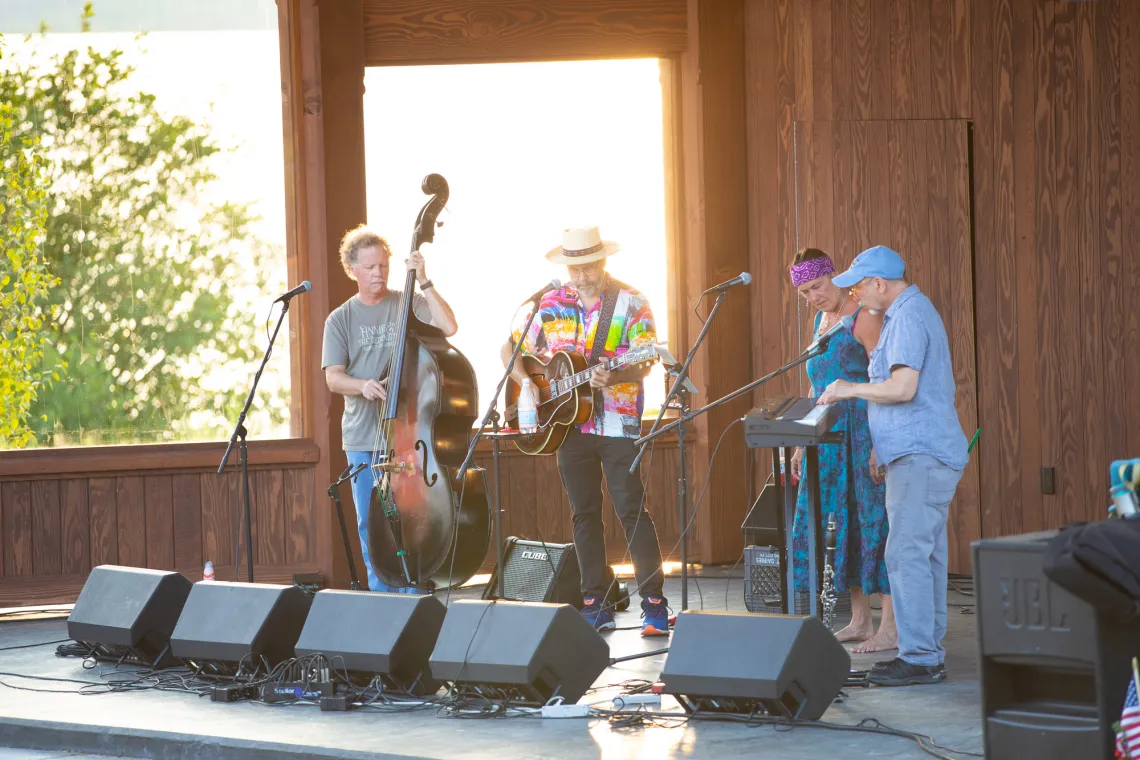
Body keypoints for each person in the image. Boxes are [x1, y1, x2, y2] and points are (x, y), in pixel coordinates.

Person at [500, 226, 669, 636]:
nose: (581, 276)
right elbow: (510, 348)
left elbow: (646, 358)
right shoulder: (548, 302)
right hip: (566, 425)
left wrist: (613, 376)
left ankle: (654, 603)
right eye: (574, 268)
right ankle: (595, 600)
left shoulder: (631, 301)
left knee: (631, 511)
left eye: (588, 267)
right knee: (584, 514)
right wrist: (526, 381)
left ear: (602, 261)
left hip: (617, 421)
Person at [819, 244, 968, 687]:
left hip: (921, 454)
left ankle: (920, 657)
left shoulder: (905, 316)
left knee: (905, 555)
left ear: (879, 283)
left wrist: (848, 388)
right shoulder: (908, 313)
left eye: (859, 288)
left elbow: (902, 388)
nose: (856, 297)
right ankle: (926, 652)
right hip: (917, 452)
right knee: (924, 556)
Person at [322, 224, 458, 592]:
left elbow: (448, 326)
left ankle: (413, 597)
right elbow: (333, 378)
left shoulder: (405, 302)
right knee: (373, 524)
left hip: (406, 438)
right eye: (370, 267)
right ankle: (382, 602)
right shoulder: (340, 319)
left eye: (383, 265)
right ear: (353, 270)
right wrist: (362, 385)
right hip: (364, 437)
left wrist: (425, 280)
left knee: (411, 520)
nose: (379, 273)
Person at [786, 248, 895, 653]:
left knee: (873, 522)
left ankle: (891, 625)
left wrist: (880, 444)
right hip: (829, 437)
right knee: (838, 524)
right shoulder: (822, 322)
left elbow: (883, 375)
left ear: (836, 276)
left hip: (865, 431)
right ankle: (861, 619)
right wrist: (802, 440)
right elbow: (819, 385)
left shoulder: (863, 316)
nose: (813, 296)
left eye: (817, 286)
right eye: (804, 292)